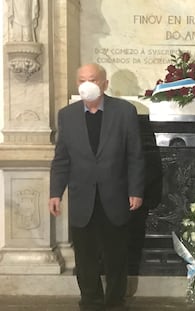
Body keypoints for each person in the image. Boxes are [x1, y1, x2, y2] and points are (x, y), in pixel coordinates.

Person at [49, 63, 145, 311]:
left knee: (116, 256)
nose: (86, 84)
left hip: (116, 196)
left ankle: (115, 301)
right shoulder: (67, 115)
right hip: (82, 198)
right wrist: (55, 193)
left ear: (104, 83)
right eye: (81, 80)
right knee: (85, 257)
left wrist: (136, 190)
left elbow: (135, 155)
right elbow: (61, 158)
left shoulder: (124, 111)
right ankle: (90, 301)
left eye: (92, 79)